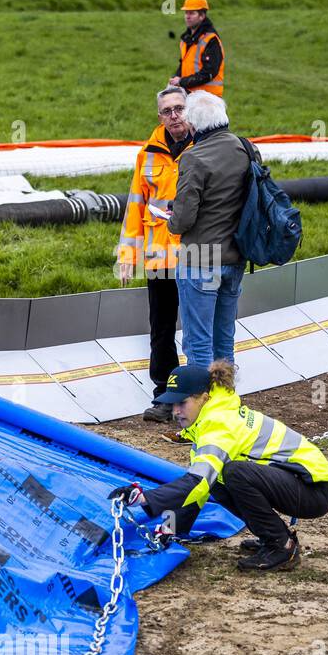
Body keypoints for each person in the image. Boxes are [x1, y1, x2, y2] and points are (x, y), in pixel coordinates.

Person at [110, 362, 328, 572]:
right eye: (173, 403)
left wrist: (144, 498)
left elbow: (195, 482)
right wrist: (170, 529)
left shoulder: (218, 424)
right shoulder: (208, 421)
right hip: (299, 484)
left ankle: (281, 546)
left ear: (204, 398)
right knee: (217, 479)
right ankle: (273, 538)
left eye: (182, 402)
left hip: (314, 490)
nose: (176, 411)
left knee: (233, 473)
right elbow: (199, 488)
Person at [116, 86, 194, 423]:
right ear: (159, 116)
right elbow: (135, 206)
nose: (174, 116)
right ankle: (166, 394)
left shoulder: (204, 145)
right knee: (161, 330)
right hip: (160, 260)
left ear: (188, 110)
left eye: (179, 109)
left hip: (197, 257)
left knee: (196, 331)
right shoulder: (147, 154)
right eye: (167, 111)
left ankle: (199, 398)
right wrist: (127, 255)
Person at [168, 90, 250, 368]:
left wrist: (170, 217)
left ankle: (202, 406)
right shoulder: (246, 149)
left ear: (193, 124)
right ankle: (225, 401)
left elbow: (182, 220)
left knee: (198, 344)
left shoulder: (194, 158)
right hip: (236, 256)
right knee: (224, 342)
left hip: (201, 258)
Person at [169, 0, 225, 97]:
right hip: (190, 95)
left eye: (192, 13)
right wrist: (175, 79)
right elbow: (184, 65)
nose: (187, 16)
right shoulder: (186, 39)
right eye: (186, 13)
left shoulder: (211, 40)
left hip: (209, 99)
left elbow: (208, 73)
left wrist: (181, 81)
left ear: (202, 16)